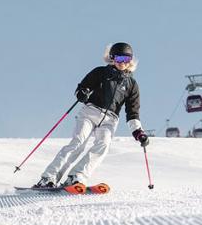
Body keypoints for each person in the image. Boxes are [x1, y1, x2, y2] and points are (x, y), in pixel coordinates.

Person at [32, 42, 148, 192]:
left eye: (126, 59)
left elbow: (132, 111)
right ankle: (49, 177)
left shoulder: (132, 85)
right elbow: (82, 88)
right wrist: (83, 93)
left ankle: (76, 177)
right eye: (119, 59)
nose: (123, 63)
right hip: (90, 113)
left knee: (103, 146)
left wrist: (138, 132)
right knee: (78, 143)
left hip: (110, 120)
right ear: (112, 58)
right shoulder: (101, 72)